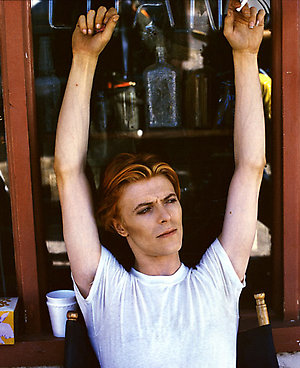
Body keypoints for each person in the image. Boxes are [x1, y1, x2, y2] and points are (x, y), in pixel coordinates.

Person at [54, 1, 266, 367]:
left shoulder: (217, 281)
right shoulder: (108, 292)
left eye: (169, 200)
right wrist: (84, 60)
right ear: (119, 225)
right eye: (145, 209)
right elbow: (68, 171)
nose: (165, 216)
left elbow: (250, 167)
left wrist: (246, 54)